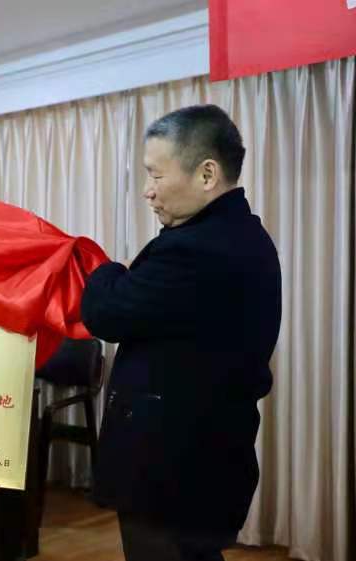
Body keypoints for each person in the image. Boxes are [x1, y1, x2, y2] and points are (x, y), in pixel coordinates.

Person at [81, 105, 282, 561]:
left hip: (171, 469)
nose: (147, 191)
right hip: (206, 460)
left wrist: (107, 269)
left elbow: (106, 314)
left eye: (156, 175)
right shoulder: (244, 234)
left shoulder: (196, 249)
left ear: (207, 174)